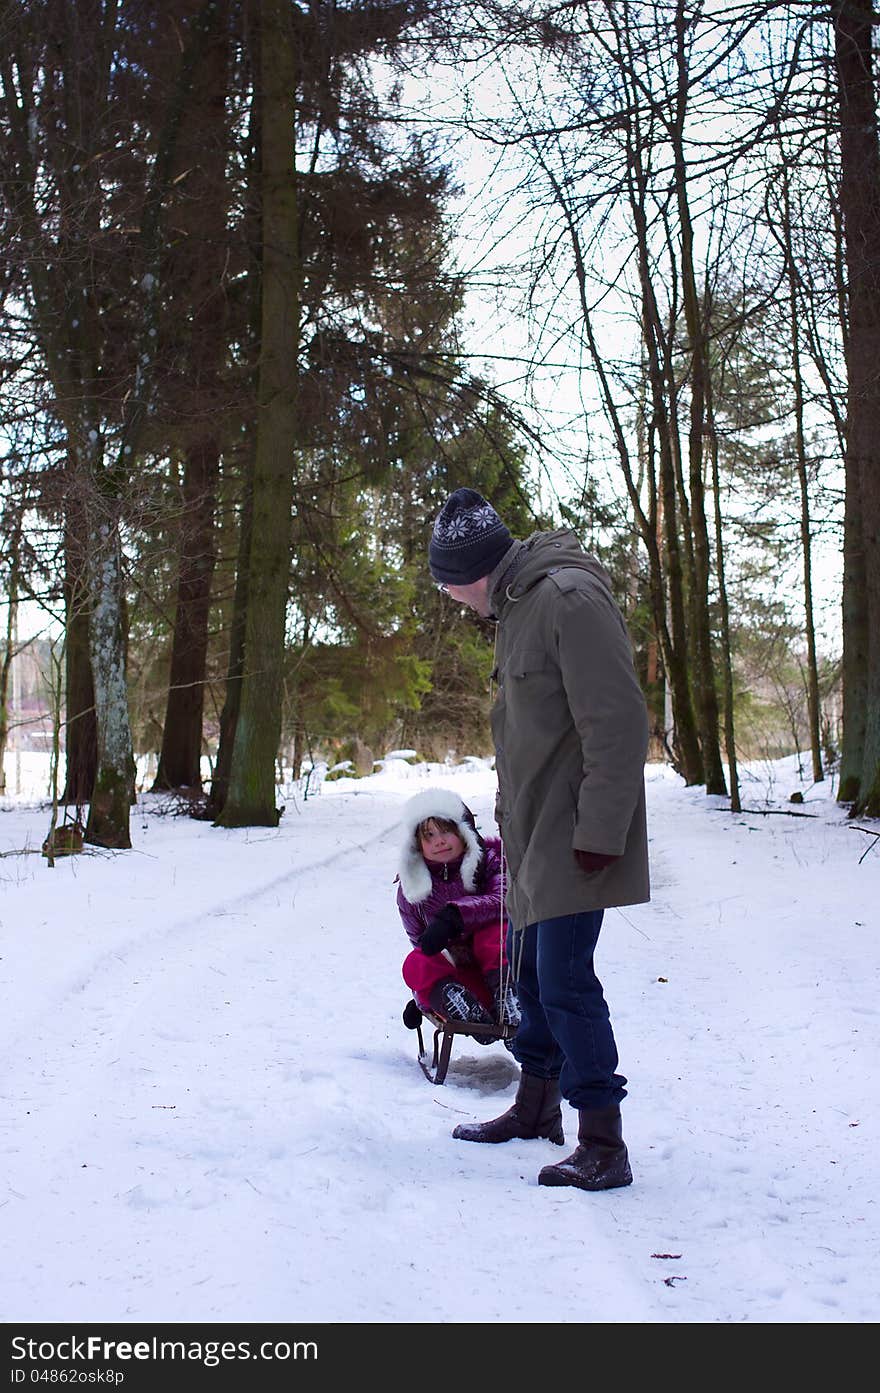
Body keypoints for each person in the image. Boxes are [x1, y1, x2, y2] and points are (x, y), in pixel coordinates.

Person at [428, 487, 650, 1191]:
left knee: (565, 983)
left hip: (576, 834)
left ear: (467, 572)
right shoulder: (518, 607)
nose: (453, 601)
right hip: (532, 834)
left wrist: (600, 834)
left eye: (448, 586)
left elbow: (617, 724)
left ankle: (603, 1141)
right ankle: (536, 1106)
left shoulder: (567, 599)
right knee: (527, 976)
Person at [397, 788, 520, 1034]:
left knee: (494, 932)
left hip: (499, 974)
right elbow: (422, 944)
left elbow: (504, 900)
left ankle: (510, 1001)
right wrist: (420, 999)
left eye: (446, 832)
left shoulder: (491, 862)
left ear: (465, 833)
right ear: (418, 845)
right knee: (416, 962)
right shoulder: (412, 888)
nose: (439, 841)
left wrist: (457, 916)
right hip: (462, 981)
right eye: (429, 836)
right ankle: (449, 1000)